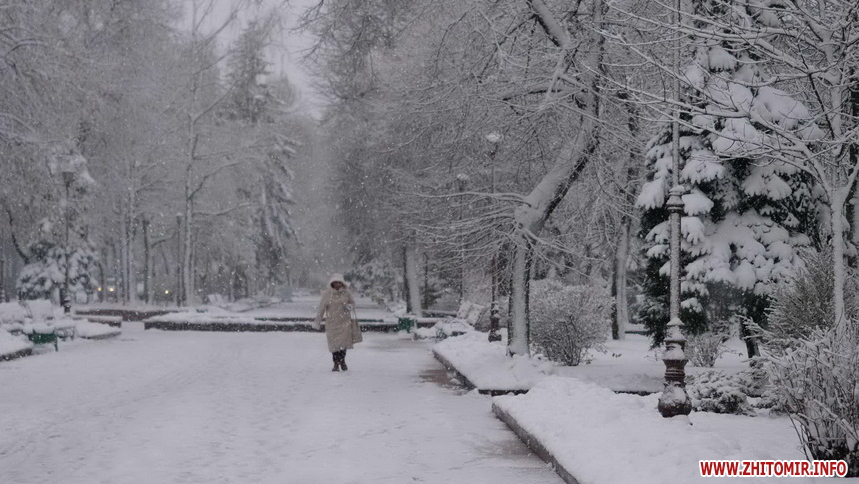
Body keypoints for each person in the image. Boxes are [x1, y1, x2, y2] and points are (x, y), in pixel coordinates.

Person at [313, 273, 362, 371]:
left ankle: (342, 361)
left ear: (342, 283)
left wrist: (349, 306)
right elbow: (321, 308)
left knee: (344, 344)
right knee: (334, 345)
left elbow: (352, 303)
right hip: (332, 323)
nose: (337, 284)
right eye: (335, 282)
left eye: (339, 282)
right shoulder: (327, 294)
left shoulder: (346, 293)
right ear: (332, 283)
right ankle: (335, 363)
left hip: (345, 323)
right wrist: (317, 321)